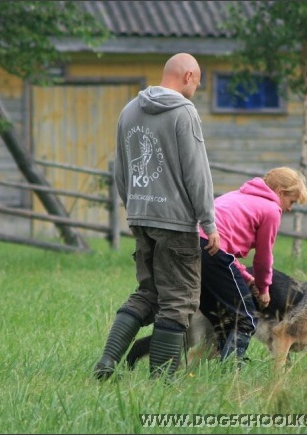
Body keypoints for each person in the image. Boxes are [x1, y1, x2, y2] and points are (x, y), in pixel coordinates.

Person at [93, 53, 220, 380]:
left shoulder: (129, 110)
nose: (199, 87)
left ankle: (107, 361)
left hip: (141, 216)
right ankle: (163, 381)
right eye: (199, 80)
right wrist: (209, 222)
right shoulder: (184, 113)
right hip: (176, 222)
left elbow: (121, 169)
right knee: (178, 299)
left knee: (148, 293)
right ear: (189, 76)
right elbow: (197, 174)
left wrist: (135, 206)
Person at [198, 167, 307, 365]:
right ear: (280, 192)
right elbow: (264, 257)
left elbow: (227, 251)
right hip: (211, 250)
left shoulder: (237, 195)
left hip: (192, 245)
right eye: (291, 201)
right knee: (245, 316)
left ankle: (221, 364)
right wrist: (264, 287)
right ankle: (230, 373)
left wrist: (248, 278)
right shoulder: (271, 209)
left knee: (220, 317)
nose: (289, 208)